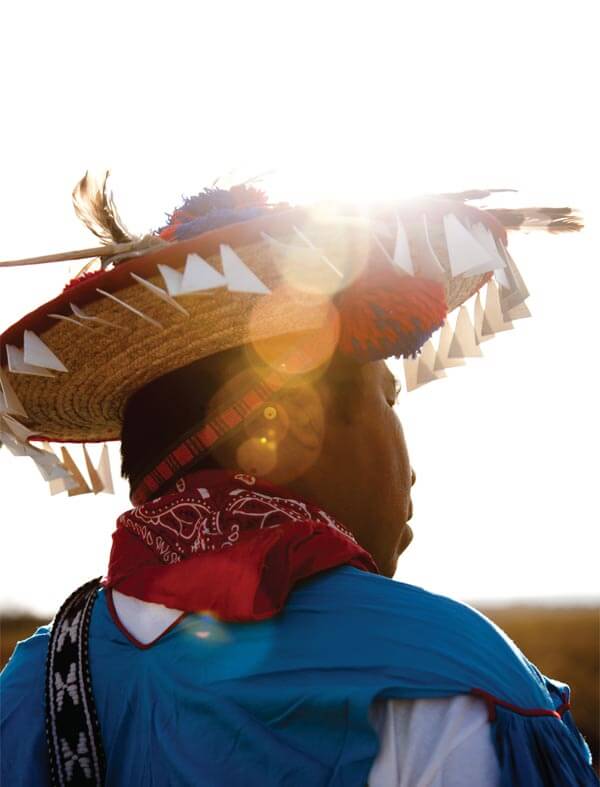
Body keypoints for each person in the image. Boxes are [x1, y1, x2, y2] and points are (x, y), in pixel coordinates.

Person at [0, 175, 596, 786]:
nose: (410, 467)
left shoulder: (28, 685)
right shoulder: (450, 677)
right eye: (387, 400)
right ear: (289, 428)